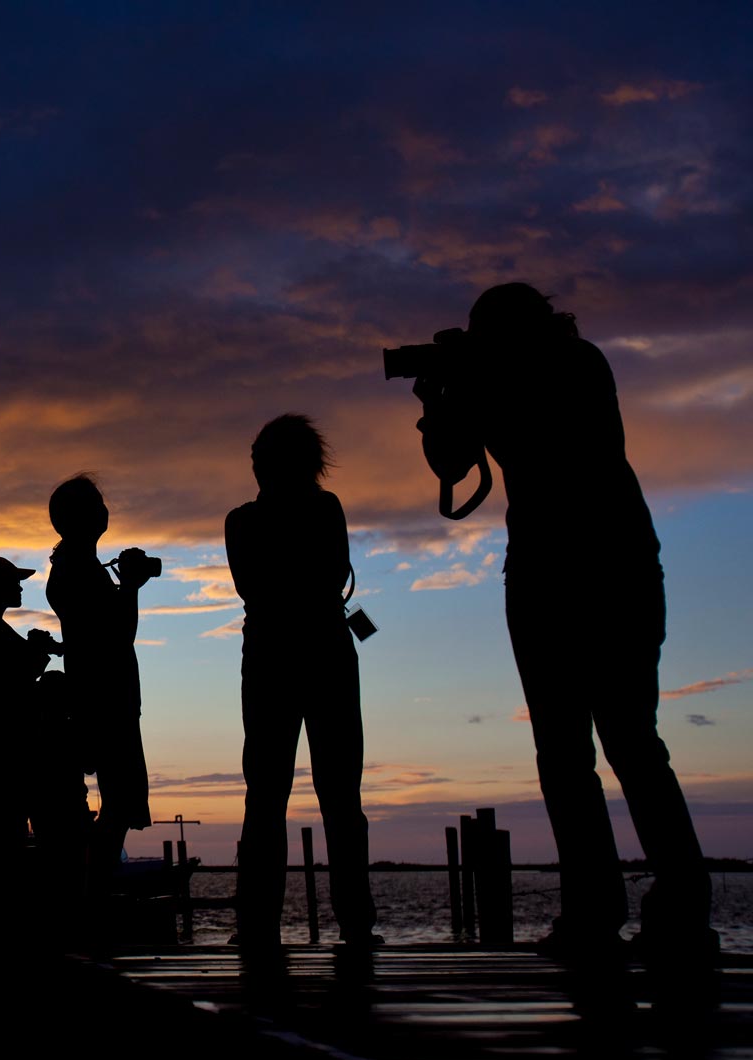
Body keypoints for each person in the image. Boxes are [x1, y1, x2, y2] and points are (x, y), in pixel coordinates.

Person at [412, 283, 715, 963]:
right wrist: (439, 401)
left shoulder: (576, 363)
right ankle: (598, 907)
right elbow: (450, 466)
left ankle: (677, 903)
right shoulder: (495, 379)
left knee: (627, 741)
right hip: (554, 573)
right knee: (566, 753)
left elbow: (544, 425)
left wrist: (472, 377)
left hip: (606, 568)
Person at [225, 415, 377, 949]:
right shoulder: (324, 509)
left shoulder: (242, 522)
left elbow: (255, 585)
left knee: (268, 794)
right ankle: (355, 923)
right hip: (325, 651)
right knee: (335, 792)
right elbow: (331, 575)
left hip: (271, 655)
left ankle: (258, 924)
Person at [45, 475, 155, 894]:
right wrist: (130, 586)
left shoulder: (77, 566)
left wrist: (125, 584)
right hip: (106, 697)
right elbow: (117, 633)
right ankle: (95, 895)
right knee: (119, 800)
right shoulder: (78, 571)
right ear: (84, 517)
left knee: (118, 800)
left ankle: (93, 893)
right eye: (98, 504)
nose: (106, 511)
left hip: (103, 693)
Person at [0, 557, 71, 913]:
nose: (21, 588)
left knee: (12, 836)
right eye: (14, 582)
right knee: (9, 839)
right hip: (6, 746)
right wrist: (38, 654)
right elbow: (6, 690)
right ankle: (7, 915)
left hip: (9, 744)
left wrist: (37, 651)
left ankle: (11, 913)